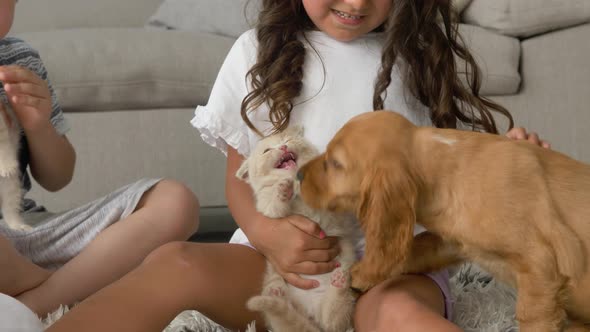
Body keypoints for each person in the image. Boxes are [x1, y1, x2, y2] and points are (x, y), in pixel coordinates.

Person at [46, 0, 551, 331]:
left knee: (399, 313)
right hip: (273, 267)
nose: (355, 2)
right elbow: (240, 175)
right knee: (176, 261)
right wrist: (267, 234)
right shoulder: (259, 53)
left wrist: (516, 155)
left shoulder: (418, 60)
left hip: (390, 268)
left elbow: (462, 170)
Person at [0, 0, 200, 320]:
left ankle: (36, 303)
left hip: (28, 229)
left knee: (175, 201)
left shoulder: (20, 60)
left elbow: (58, 176)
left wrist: (39, 125)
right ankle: (72, 286)